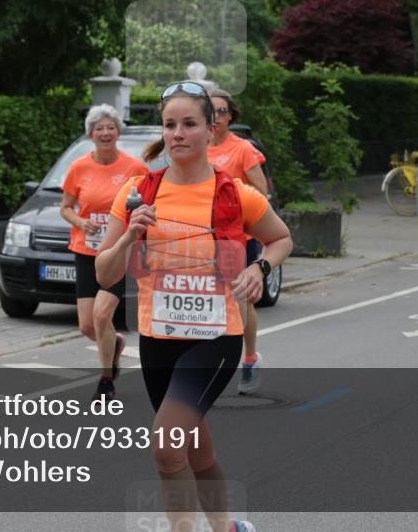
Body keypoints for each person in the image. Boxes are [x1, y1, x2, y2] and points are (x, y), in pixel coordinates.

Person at [96, 81, 293, 532]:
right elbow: (105, 273)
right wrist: (130, 235)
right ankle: (227, 527)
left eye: (189, 124)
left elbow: (281, 239)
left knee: (166, 445)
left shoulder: (236, 194)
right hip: (157, 336)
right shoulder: (136, 191)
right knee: (195, 448)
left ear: (211, 130)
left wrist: (259, 270)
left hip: (215, 337)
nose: (178, 134)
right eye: (169, 125)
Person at [60, 105, 147, 401]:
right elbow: (65, 207)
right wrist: (81, 222)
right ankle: (115, 343)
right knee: (87, 324)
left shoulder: (135, 168)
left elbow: (149, 205)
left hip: (119, 252)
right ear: (91, 134)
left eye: (111, 128)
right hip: (85, 251)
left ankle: (106, 381)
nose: (106, 133)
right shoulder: (79, 167)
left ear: (118, 132)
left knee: (101, 316)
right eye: (100, 128)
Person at [206, 88, 269, 395]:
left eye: (221, 111)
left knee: (240, 298)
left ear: (230, 116)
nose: (216, 117)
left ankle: (249, 358)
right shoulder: (197, 147)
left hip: (239, 238)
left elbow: (261, 192)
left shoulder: (242, 149)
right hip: (204, 239)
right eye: (211, 111)